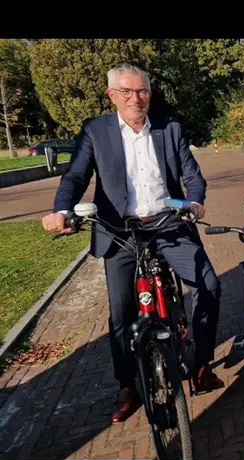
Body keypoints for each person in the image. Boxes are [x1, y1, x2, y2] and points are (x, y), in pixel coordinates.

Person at [41, 63, 223, 424]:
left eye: (141, 91)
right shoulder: (96, 130)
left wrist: (195, 199)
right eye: (126, 91)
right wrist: (62, 209)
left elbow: (192, 175)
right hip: (119, 230)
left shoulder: (169, 128)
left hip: (168, 222)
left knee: (210, 284)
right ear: (112, 95)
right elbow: (76, 173)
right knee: (121, 311)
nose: (135, 98)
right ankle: (127, 385)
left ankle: (199, 364)